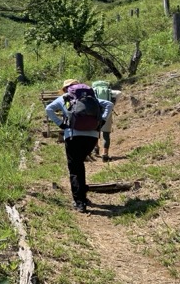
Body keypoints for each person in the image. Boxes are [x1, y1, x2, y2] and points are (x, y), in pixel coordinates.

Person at [45, 79, 114, 213]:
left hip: (73, 135)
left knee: (75, 168)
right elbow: (109, 104)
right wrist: (102, 121)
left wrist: (60, 124)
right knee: (79, 163)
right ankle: (82, 195)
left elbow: (49, 109)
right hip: (92, 137)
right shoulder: (90, 97)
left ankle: (80, 202)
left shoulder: (64, 98)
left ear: (66, 88)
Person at [94, 88, 122, 162]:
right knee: (106, 135)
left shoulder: (92, 91)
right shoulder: (110, 92)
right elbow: (119, 92)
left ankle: (96, 148)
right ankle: (105, 154)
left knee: (96, 132)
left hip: (95, 114)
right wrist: (113, 104)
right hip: (107, 114)